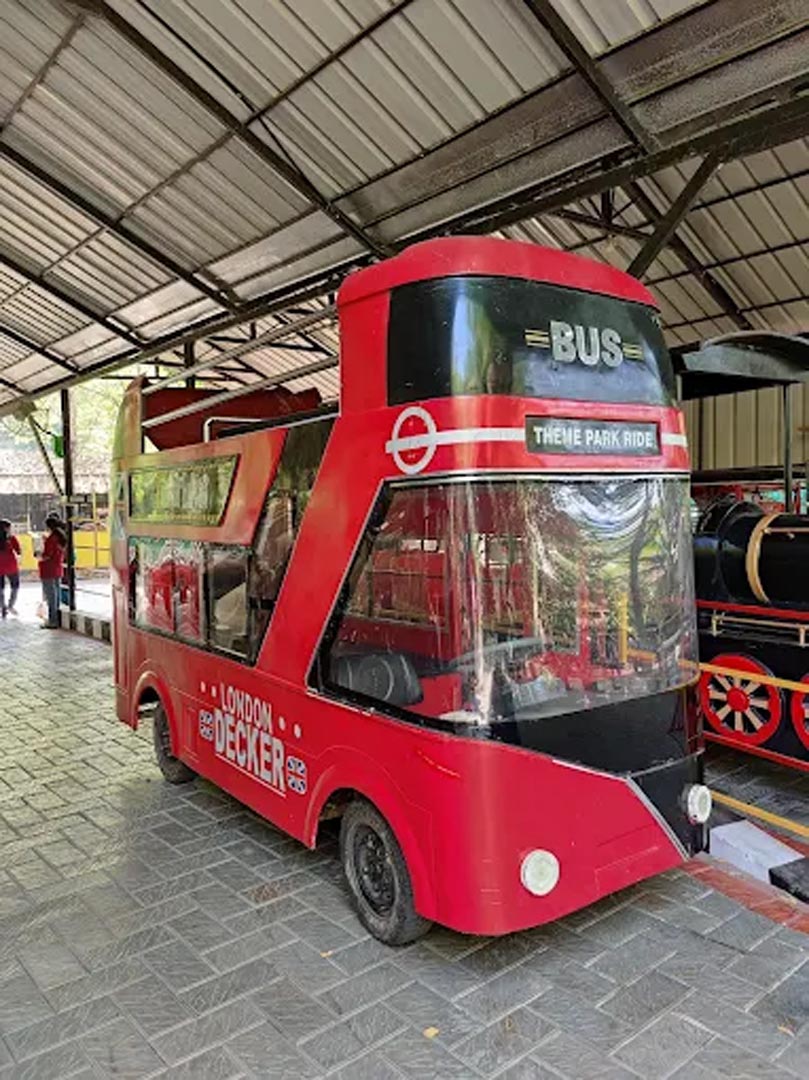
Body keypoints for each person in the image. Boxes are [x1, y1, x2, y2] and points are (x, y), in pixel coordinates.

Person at [38, 513, 67, 629]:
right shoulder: (60, 537)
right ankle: (56, 619)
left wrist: (39, 555)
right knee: (56, 595)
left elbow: (47, 555)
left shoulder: (51, 539)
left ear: (48, 527)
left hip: (48, 569)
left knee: (51, 596)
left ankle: (53, 621)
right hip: (57, 568)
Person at [0, 519, 21, 618]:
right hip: (11, 566)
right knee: (15, 586)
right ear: (6, 528)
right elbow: (19, 551)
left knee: (0, 588)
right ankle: (10, 605)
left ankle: (2, 607)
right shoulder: (11, 538)